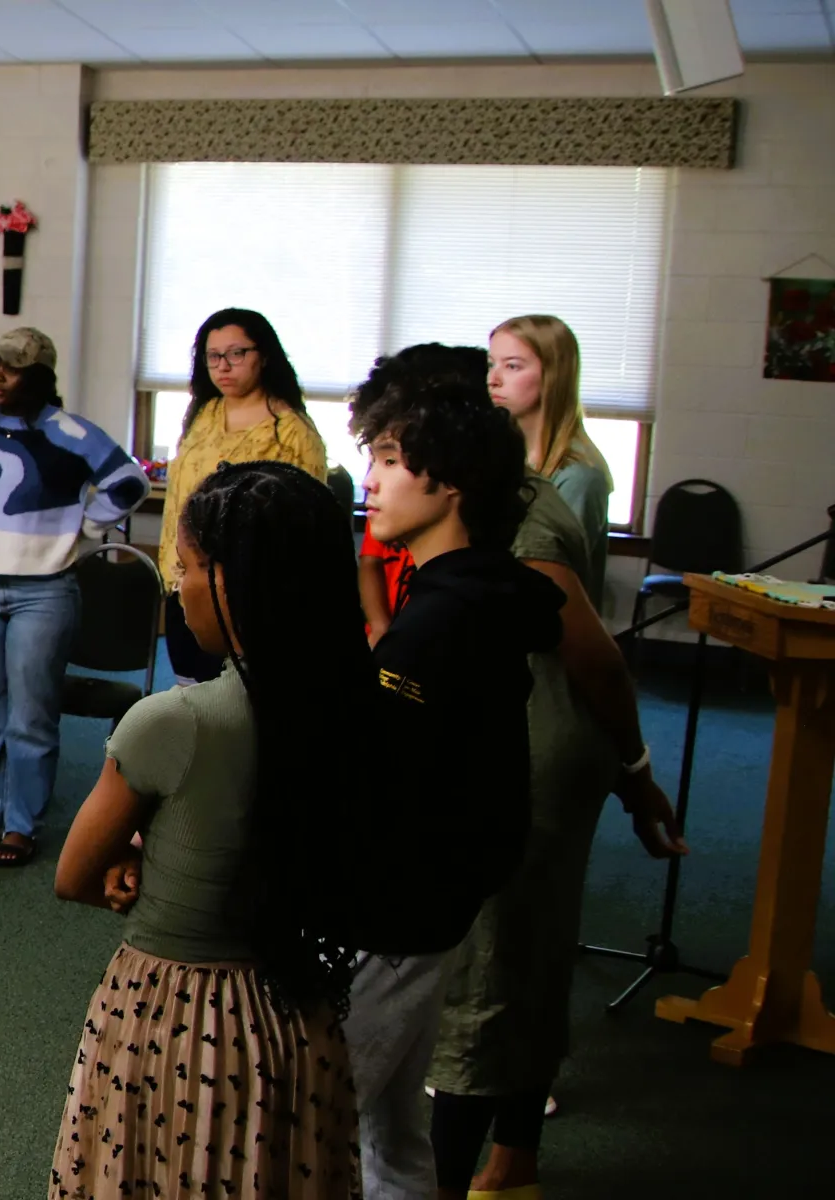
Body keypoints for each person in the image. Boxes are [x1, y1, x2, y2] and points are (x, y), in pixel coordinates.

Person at [353, 347, 685, 1200]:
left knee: (487, 980)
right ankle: (507, 1158)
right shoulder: (475, 542)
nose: (377, 473)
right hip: (496, 741)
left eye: (391, 454)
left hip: (524, 753)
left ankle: (482, 1169)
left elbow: (596, 663)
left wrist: (637, 774)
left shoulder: (508, 531)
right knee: (510, 963)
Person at [50, 461, 366, 1199]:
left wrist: (135, 858)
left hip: (185, 1023)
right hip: (300, 1019)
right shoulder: (358, 705)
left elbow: (74, 877)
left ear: (231, 582)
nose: (177, 585)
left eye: (186, 565)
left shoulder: (175, 721)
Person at [336, 345, 565, 1200]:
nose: (375, 480)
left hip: (402, 904)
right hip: (439, 895)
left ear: (451, 485)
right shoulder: (471, 593)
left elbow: (388, 772)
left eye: (393, 463)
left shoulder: (439, 622)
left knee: (327, 1106)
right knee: (389, 1127)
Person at [0, 328, 149, 868]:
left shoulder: (69, 432)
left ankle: (21, 825)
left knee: (31, 713)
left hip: (43, 592)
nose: (0, 375)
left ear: (41, 376)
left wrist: (84, 531)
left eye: (14, 367)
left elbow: (129, 482)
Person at [157, 309, 327, 683]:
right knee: (191, 698)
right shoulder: (202, 414)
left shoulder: (292, 432)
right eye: (213, 356)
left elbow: (308, 524)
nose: (223, 366)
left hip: (250, 595)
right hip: (185, 584)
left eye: (237, 354)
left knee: (240, 706)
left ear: (263, 356)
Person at [490, 314, 613, 610]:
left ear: (553, 375)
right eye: (491, 364)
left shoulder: (579, 476)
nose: (493, 379)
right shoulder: (504, 459)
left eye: (512, 366)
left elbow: (549, 581)